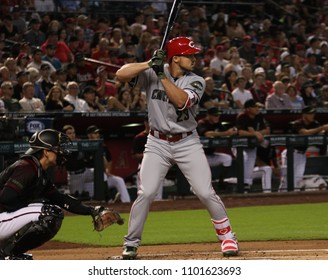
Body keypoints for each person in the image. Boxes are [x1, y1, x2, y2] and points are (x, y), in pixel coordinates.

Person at [116, 36, 239, 259]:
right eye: (189, 55)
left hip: (186, 141)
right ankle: (131, 243)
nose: (194, 58)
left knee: (204, 191)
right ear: (175, 57)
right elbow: (121, 74)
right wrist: (148, 64)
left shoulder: (197, 80)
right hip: (157, 142)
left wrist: (161, 74)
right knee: (146, 192)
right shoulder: (153, 71)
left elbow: (181, 100)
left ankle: (228, 237)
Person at [0, 129, 119, 260]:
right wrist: (32, 205)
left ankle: (10, 252)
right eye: (57, 148)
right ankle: (7, 254)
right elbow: (6, 198)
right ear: (46, 151)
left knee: (52, 212)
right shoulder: (26, 167)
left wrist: (92, 211)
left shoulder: (39, 172)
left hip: (4, 218)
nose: (61, 152)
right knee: (49, 213)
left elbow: (60, 199)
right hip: (2, 217)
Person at [279, 106, 328, 191]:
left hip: (302, 154)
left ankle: (292, 199)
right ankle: (279, 196)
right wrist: (322, 128)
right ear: (304, 115)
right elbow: (304, 133)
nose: (312, 115)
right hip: (290, 153)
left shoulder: (314, 123)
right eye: (310, 114)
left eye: (313, 113)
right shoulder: (296, 123)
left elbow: (321, 132)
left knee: (297, 179)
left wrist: (324, 130)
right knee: (287, 178)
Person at [85, 125, 131, 203]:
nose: (97, 135)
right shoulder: (85, 146)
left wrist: (107, 171)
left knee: (119, 180)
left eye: (97, 133)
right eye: (94, 133)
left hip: (103, 179)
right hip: (89, 178)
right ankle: (108, 199)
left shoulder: (102, 146)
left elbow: (109, 161)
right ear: (89, 135)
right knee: (102, 175)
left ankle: (126, 203)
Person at [234, 99, 270, 193]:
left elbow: (266, 130)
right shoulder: (242, 116)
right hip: (238, 145)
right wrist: (255, 134)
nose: (257, 108)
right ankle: (236, 181)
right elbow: (240, 132)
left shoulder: (259, 116)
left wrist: (255, 133)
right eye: (255, 107)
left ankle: (246, 186)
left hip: (251, 146)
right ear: (248, 109)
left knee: (249, 167)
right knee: (244, 158)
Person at [197, 107, 238, 189]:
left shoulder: (217, 123)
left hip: (210, 155)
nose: (217, 117)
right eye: (215, 115)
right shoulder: (202, 122)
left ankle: (221, 182)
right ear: (208, 115)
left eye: (218, 115)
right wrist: (226, 133)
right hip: (199, 156)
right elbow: (208, 134)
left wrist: (233, 131)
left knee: (227, 158)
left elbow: (226, 132)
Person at [132, 114, 163, 201]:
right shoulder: (139, 137)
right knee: (142, 195)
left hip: (157, 166)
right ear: (145, 123)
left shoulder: (159, 136)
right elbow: (135, 155)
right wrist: (148, 154)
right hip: (143, 167)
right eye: (149, 121)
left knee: (158, 197)